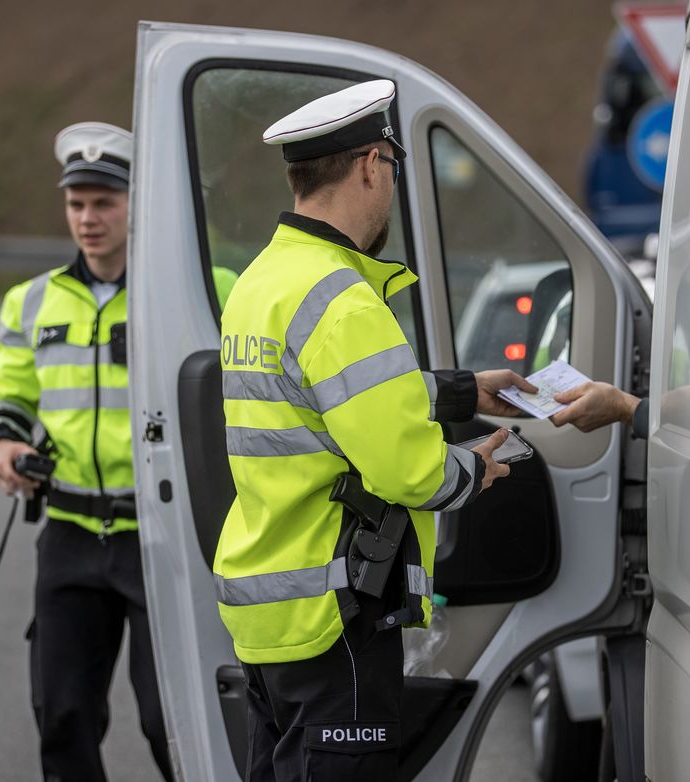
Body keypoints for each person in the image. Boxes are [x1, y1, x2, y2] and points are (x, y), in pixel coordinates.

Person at [213, 79, 536, 781]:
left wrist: (460, 391)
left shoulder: (261, 281)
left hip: (270, 610)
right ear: (369, 165)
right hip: (335, 616)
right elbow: (408, 471)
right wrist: (476, 467)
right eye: (392, 166)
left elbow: (322, 402)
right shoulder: (343, 299)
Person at [0, 122, 187, 782]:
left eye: (104, 202)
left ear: (135, 204)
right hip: (67, 532)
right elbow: (4, 393)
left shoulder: (187, 286)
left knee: (174, 722)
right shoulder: (31, 300)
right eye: (76, 203)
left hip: (161, 538)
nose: (88, 219)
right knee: (61, 716)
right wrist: (4, 443)